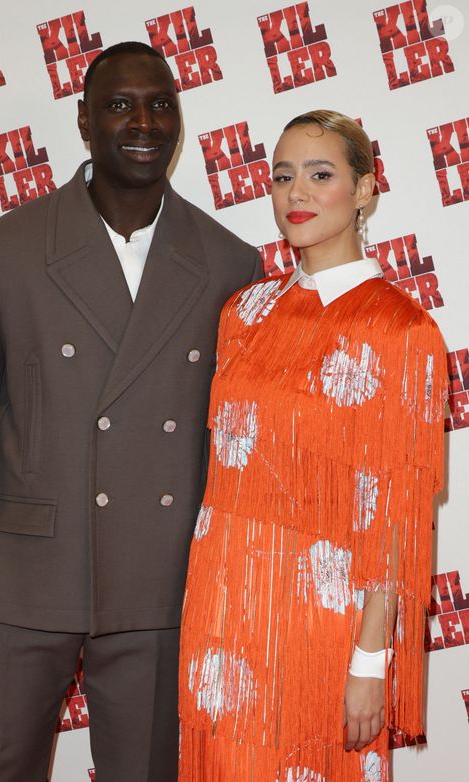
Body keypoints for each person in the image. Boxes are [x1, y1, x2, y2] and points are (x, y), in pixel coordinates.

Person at [0, 41, 262, 782]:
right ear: (82, 122)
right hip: (23, 576)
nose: (143, 121)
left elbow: (239, 441)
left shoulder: (230, 263)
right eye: (119, 104)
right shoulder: (3, 251)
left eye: (161, 103)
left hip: (162, 578)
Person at [178, 110, 447, 782]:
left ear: (364, 190)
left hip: (320, 624)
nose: (295, 193)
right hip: (220, 613)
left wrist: (369, 660)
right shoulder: (243, 313)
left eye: (320, 175)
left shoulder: (403, 330)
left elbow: (400, 515)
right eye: (282, 177)